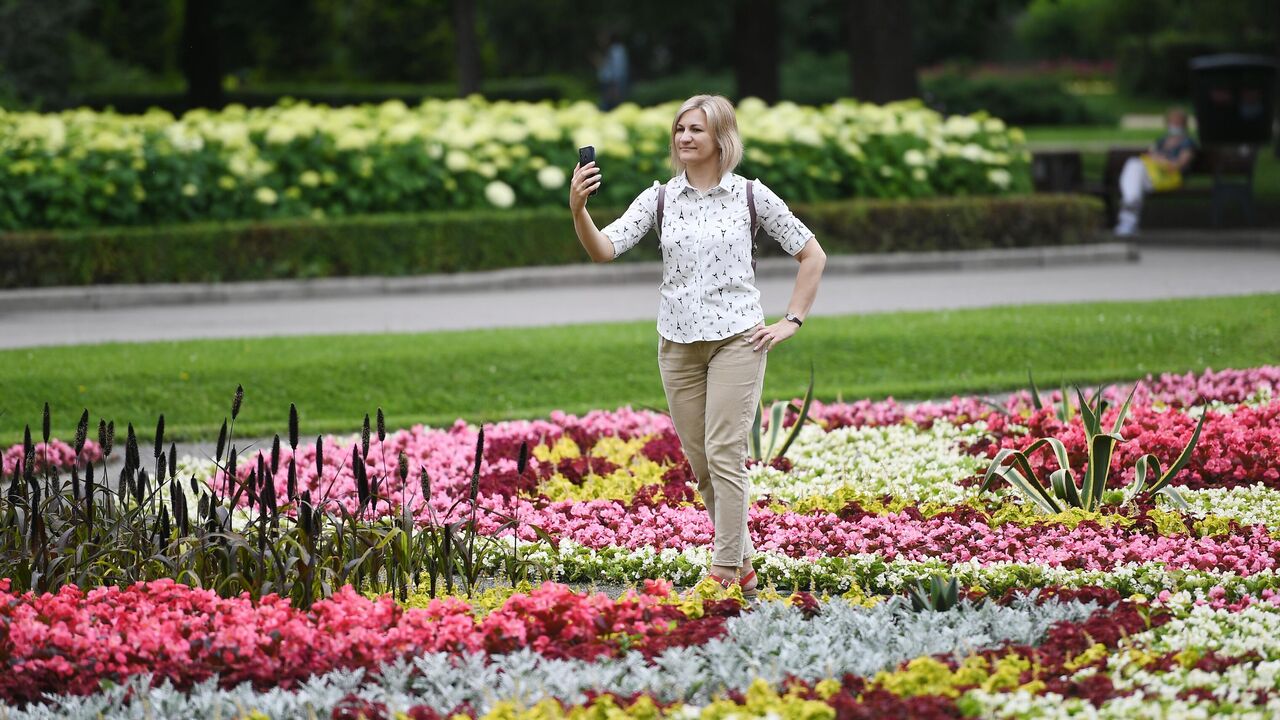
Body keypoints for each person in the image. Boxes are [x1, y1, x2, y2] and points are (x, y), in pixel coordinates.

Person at [568, 95, 827, 597]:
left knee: (726, 456)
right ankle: (745, 568)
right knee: (703, 464)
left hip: (737, 341)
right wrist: (579, 210)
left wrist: (791, 320)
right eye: (680, 128)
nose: (685, 137)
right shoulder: (659, 198)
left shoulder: (751, 196)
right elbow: (604, 250)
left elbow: (812, 255)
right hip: (677, 347)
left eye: (697, 130)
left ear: (720, 139)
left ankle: (724, 573)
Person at [1114, 107, 1197, 236]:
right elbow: (1150, 155)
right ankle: (1130, 212)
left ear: (1184, 123)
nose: (1175, 125)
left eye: (1178, 122)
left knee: (1134, 170)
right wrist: (1155, 158)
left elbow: (1179, 165)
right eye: (1172, 122)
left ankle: (1128, 219)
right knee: (1134, 165)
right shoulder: (1162, 141)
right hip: (1154, 177)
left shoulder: (1188, 142)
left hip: (1171, 177)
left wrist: (1161, 161)